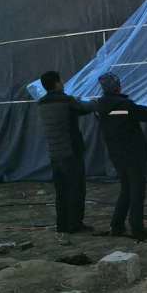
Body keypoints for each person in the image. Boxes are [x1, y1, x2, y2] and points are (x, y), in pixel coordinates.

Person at [96, 72, 147, 241]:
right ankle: (137, 229)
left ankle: (117, 225)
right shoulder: (125, 105)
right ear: (118, 87)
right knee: (137, 191)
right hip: (133, 154)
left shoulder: (100, 106)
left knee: (126, 189)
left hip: (117, 154)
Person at [37, 71, 97, 244]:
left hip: (54, 153)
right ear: (56, 83)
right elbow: (84, 108)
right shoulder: (65, 100)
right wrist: (95, 102)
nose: (63, 83)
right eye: (61, 80)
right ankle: (75, 224)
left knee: (61, 191)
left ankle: (62, 224)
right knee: (76, 189)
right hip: (71, 152)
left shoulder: (42, 103)